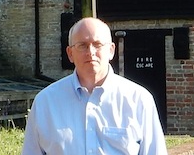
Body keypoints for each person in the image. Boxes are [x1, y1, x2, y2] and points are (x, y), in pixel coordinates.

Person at [20, 16, 167, 155]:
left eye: (97, 45)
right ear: (70, 53)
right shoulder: (45, 102)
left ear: (111, 50)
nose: (90, 52)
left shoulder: (139, 100)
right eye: (82, 45)